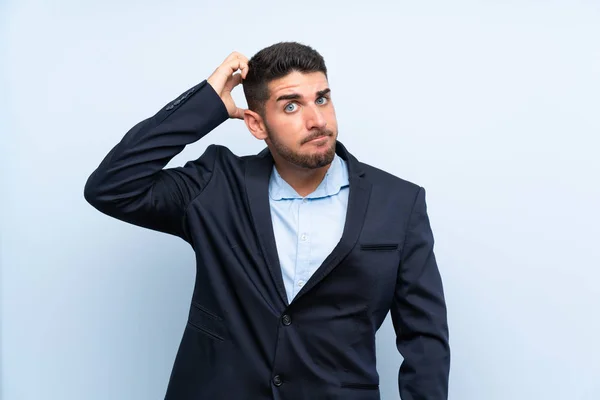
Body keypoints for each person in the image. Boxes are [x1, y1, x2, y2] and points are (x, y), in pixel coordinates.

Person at [84, 41, 450, 400]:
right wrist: (206, 103)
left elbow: (425, 339)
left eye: (321, 98)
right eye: (291, 106)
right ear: (257, 125)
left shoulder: (399, 202)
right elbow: (112, 187)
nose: (317, 120)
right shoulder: (215, 185)